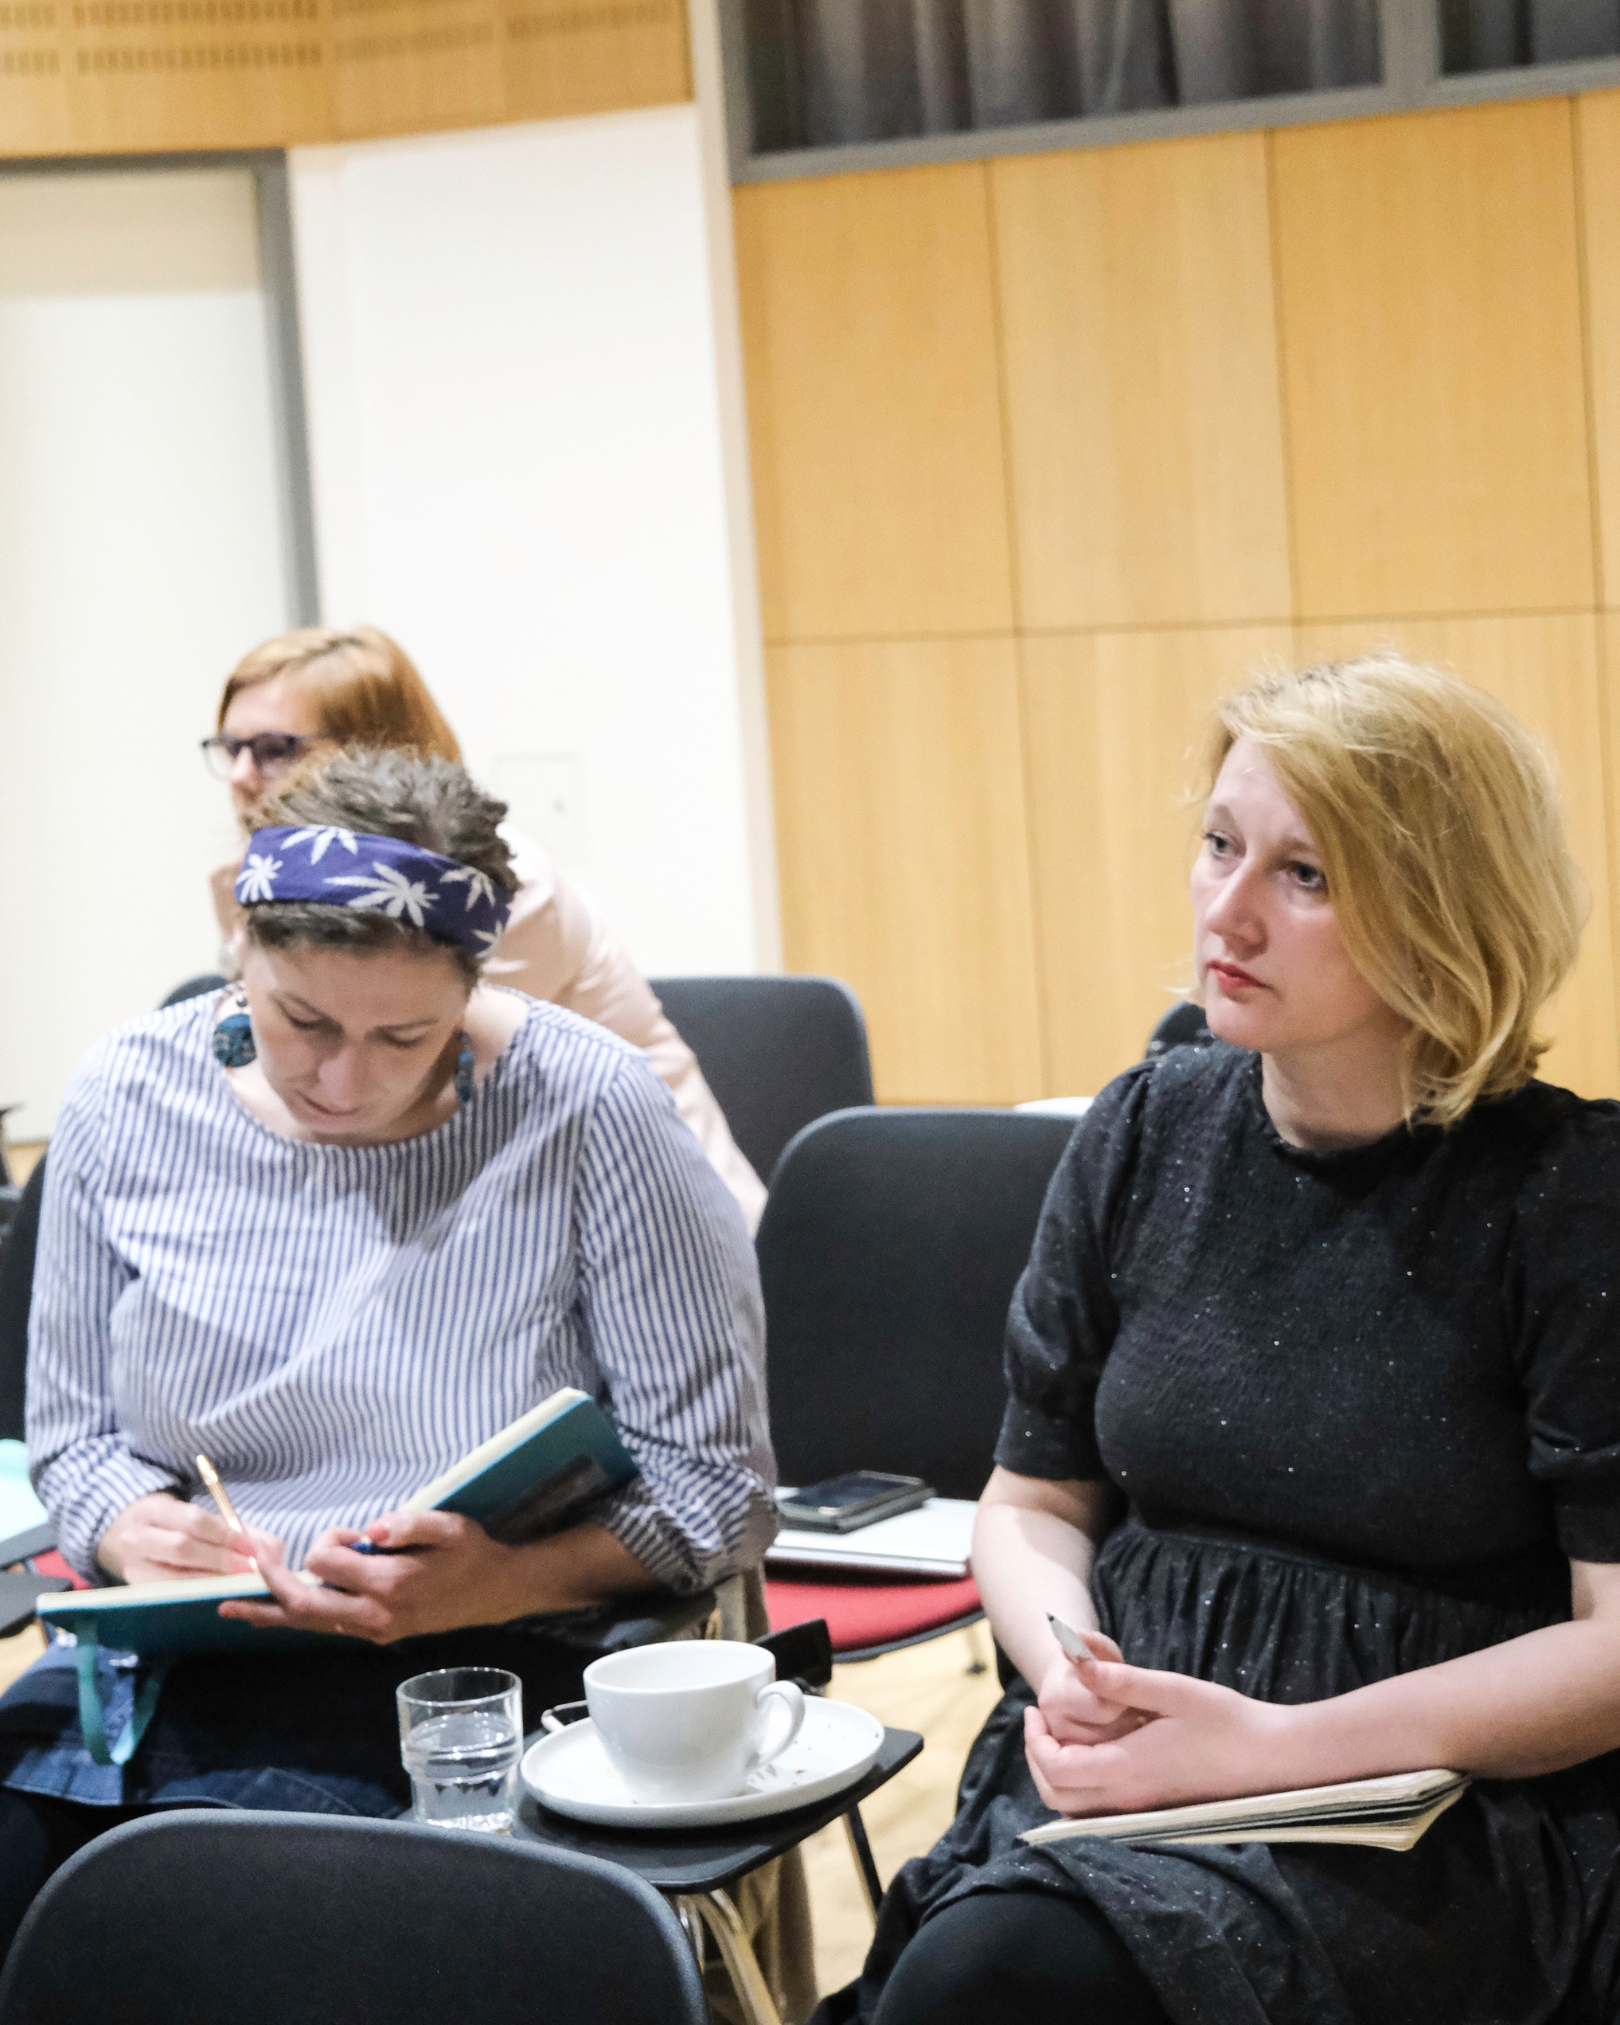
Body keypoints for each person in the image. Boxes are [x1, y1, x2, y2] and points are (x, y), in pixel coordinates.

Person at [822, 655, 1620, 2025]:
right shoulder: (1146, 1128)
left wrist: (1274, 1747)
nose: (1227, 910)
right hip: (1128, 1767)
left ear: (1442, 912)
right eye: (1219, 845)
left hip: (1416, 1812)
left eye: (1305, 875)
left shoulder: (1567, 1194)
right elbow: (1031, 1502)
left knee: (998, 1981)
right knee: (985, 1971)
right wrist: (1073, 1671)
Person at [0, 747, 776, 1957]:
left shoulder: (589, 1111)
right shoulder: (125, 1095)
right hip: (175, 1655)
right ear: (241, 949)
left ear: (473, 987)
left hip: (478, 1658)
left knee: (234, 1932)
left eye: (405, 1036)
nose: (343, 1078)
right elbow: (72, 1439)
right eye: (300, 1021)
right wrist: (121, 1526)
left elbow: (719, 1493)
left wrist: (498, 1581)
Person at [201, 625, 767, 1230]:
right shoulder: (261, 877)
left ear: (373, 749)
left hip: (653, 1213)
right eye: (231, 748)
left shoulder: (489, 889)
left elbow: (401, 1110)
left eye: (275, 748)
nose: (240, 776)